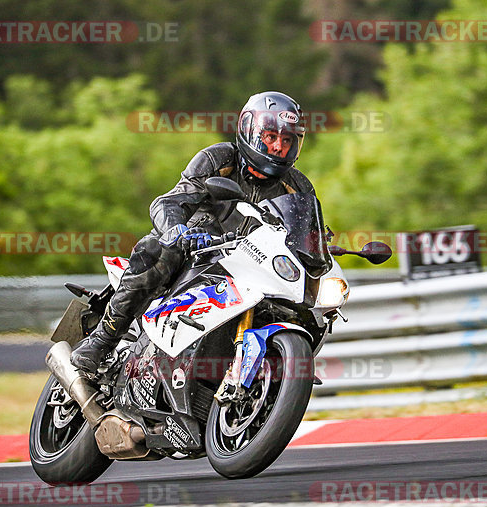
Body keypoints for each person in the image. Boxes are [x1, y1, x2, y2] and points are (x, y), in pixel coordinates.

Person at [71, 91, 316, 374]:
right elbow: (170, 202)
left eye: (287, 140)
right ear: (250, 130)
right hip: (199, 249)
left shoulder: (298, 186)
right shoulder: (219, 159)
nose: (277, 147)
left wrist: (323, 250)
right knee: (157, 250)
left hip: (252, 265)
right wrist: (177, 230)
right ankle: (102, 341)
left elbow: (308, 234)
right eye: (271, 136)